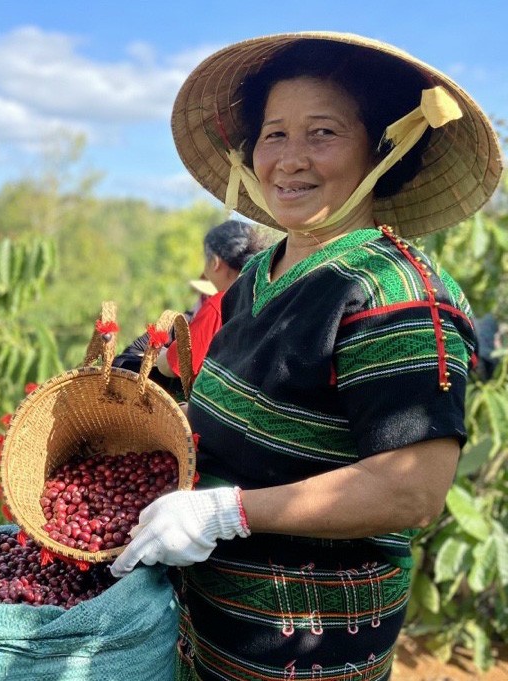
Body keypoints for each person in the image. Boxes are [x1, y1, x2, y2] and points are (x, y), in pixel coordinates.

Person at [110, 33, 501, 680]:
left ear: (384, 151)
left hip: (309, 656)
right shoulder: (259, 273)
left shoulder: (393, 290)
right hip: (210, 634)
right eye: (274, 135)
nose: (290, 160)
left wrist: (227, 512)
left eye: (322, 132)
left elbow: (412, 490)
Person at [154, 220, 274, 381]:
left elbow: (175, 364)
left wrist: (159, 354)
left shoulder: (219, 304)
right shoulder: (263, 297)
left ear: (215, 262)